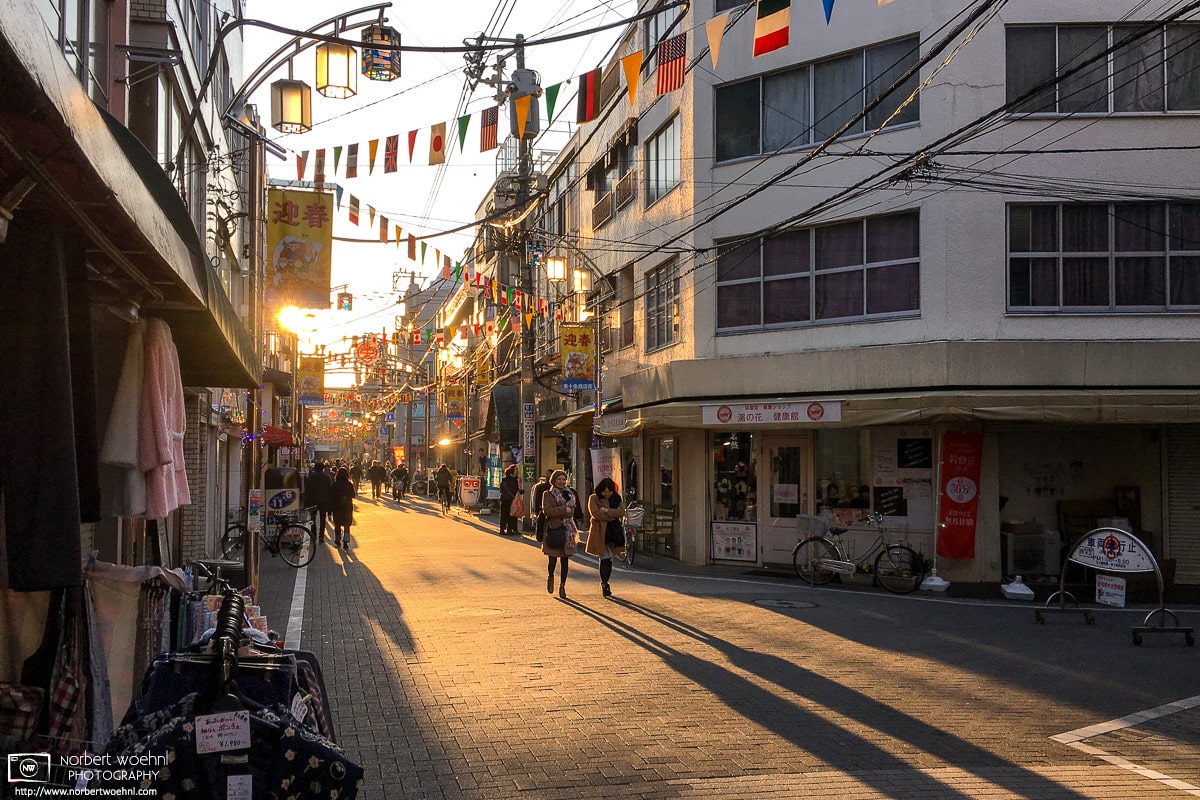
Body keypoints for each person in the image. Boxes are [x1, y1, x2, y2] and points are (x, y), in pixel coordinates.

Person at [586, 478, 626, 598]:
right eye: (605, 491)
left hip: (614, 532)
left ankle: (605, 582)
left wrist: (607, 511)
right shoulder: (593, 498)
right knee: (605, 557)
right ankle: (605, 584)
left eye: (610, 491)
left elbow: (622, 512)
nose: (607, 494)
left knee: (608, 558)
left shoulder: (617, 498)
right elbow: (595, 514)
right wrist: (612, 515)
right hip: (600, 532)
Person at [540, 470, 577, 598]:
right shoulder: (548, 494)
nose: (562, 481)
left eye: (563, 479)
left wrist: (566, 511)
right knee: (552, 558)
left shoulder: (570, 494)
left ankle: (562, 585)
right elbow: (547, 511)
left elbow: (572, 512)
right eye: (559, 479)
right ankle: (550, 577)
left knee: (565, 559)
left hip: (568, 530)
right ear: (554, 481)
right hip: (553, 529)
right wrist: (563, 510)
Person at [306, 461, 334, 542]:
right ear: (323, 468)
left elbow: (308, 490)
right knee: (322, 519)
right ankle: (321, 536)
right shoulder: (327, 477)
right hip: (324, 501)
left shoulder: (311, 477)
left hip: (313, 501)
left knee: (313, 518)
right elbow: (330, 490)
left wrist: (307, 502)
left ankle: (313, 535)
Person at [331, 466, 356, 550]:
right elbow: (353, 495)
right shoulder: (349, 484)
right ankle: (346, 541)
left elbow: (331, 495)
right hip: (347, 506)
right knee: (346, 524)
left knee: (337, 524)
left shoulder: (335, 484)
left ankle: (337, 540)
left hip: (337, 506)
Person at [498, 465, 524, 536]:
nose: (517, 472)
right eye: (515, 470)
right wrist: (521, 491)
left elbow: (501, 489)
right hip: (511, 500)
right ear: (511, 472)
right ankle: (510, 530)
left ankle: (502, 530)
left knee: (504, 515)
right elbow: (516, 490)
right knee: (511, 515)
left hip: (504, 499)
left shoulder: (503, 480)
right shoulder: (514, 481)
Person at [530, 469, 553, 542]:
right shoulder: (541, 487)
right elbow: (537, 499)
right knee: (542, 524)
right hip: (543, 510)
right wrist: (536, 510)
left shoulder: (560, 489)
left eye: (550, 474)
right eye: (547, 474)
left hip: (554, 513)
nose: (548, 475)